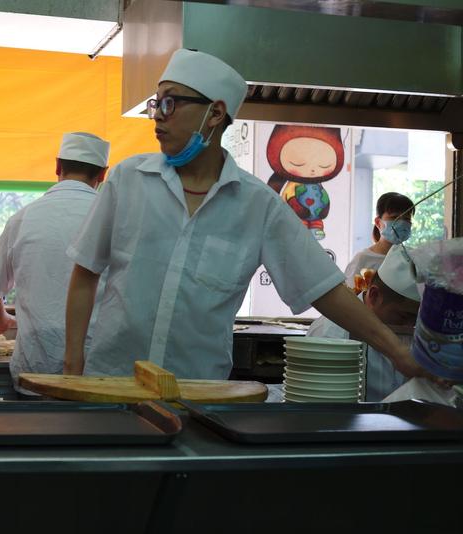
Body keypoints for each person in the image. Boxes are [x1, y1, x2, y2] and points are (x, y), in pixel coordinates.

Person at [63, 49, 433, 385]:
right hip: (110, 383)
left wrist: (399, 353)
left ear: (216, 113)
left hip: (196, 394)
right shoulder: (129, 180)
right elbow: (85, 273)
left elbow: (325, 289)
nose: (158, 117)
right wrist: (72, 368)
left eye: (171, 103)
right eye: (156, 104)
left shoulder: (257, 205)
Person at [0, 132, 110, 392]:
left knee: (37, 430)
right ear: (103, 175)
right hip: (95, 373)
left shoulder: (23, 218)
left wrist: (2, 319)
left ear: (58, 166)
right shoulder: (113, 218)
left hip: (35, 369)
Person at [308, 247, 421, 401]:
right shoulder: (329, 333)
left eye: (415, 319)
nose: (410, 326)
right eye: (403, 316)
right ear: (374, 296)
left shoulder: (418, 332)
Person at [344, 192, 415, 287]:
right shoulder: (363, 259)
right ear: (378, 222)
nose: (401, 223)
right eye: (394, 217)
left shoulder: (413, 258)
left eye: (406, 219)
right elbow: (350, 297)